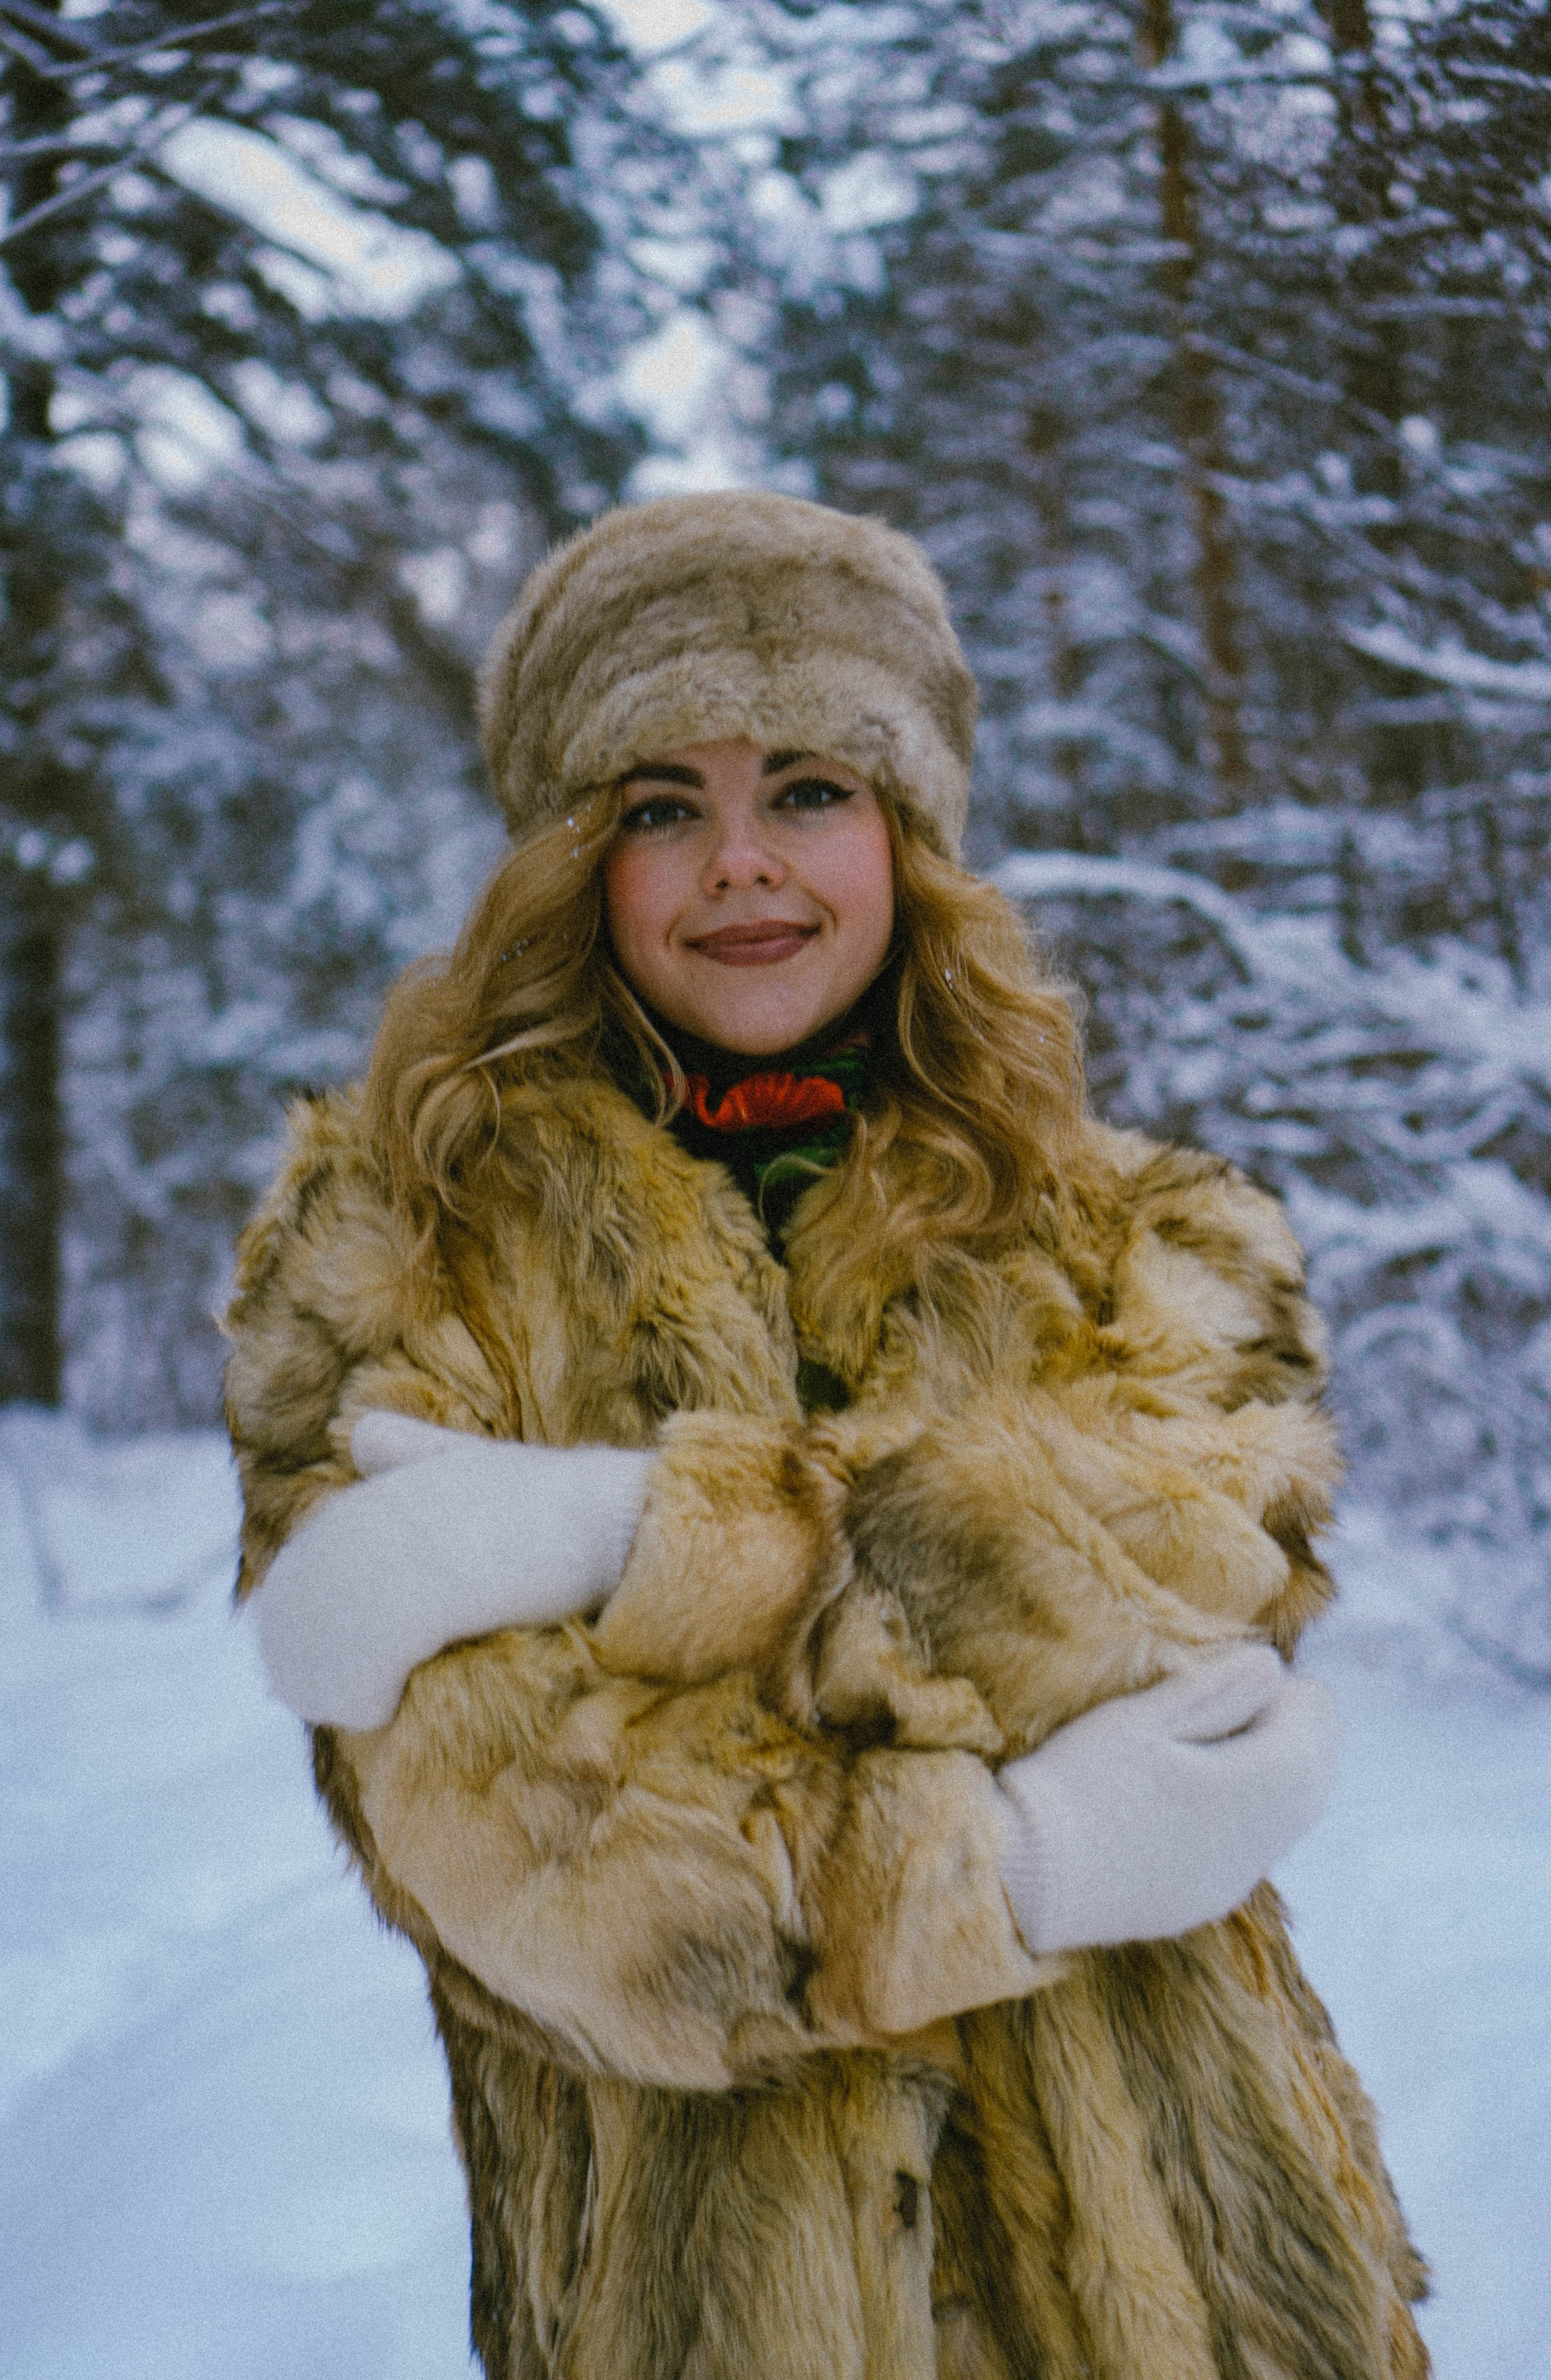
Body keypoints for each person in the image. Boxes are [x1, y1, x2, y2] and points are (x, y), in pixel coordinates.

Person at [225, 492, 1431, 2380]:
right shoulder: (400, 1250)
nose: (740, 867)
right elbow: (539, 1858)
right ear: (575, 858)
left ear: (907, 829)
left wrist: (632, 1538)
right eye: (658, 805)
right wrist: (1029, 1855)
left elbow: (1202, 1566)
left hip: (1200, 2295)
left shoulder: (1145, 1232)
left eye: (805, 787)